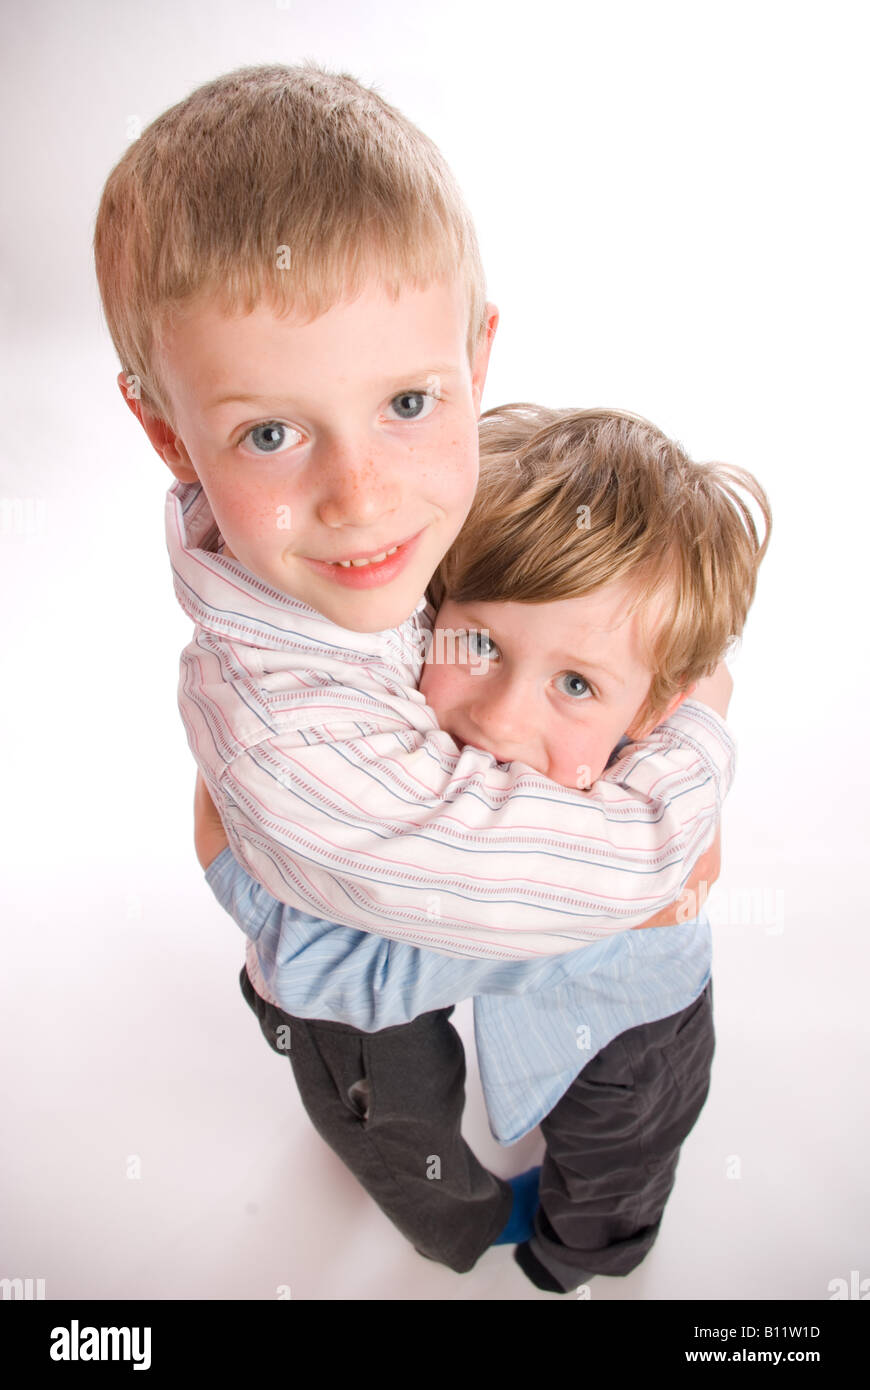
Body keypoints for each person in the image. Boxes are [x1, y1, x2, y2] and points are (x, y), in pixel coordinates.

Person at [92, 64, 748, 1288]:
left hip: (421, 898)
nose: (362, 494)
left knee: (623, 1096)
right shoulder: (295, 732)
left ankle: (588, 1247)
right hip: (345, 961)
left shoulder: (391, 542)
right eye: (271, 432)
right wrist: (694, 748)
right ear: (171, 437)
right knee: (394, 1117)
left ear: (474, 357)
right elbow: (551, 881)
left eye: (405, 399)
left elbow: (580, 588)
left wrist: (663, 650)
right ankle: (471, 1232)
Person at [193, 403, 769, 1292]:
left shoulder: (652, 809)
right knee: (378, 1099)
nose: (500, 722)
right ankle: (469, 1221)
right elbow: (327, 964)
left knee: (629, 1135)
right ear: (428, 614)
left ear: (653, 714)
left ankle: (582, 1252)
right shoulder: (385, 749)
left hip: (631, 1005)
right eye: (480, 643)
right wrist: (252, 869)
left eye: (576, 683)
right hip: (365, 964)